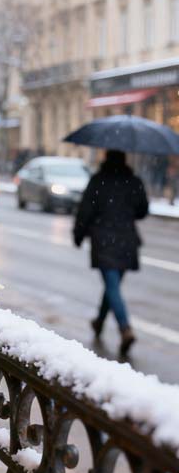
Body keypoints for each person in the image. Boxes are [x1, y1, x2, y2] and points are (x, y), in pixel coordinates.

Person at [73, 149, 149, 356]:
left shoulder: (98, 180)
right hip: (126, 240)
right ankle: (99, 322)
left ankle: (125, 329)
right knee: (112, 285)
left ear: (106, 159)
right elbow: (143, 210)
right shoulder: (133, 181)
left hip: (103, 240)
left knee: (112, 285)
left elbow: (85, 210)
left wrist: (78, 234)